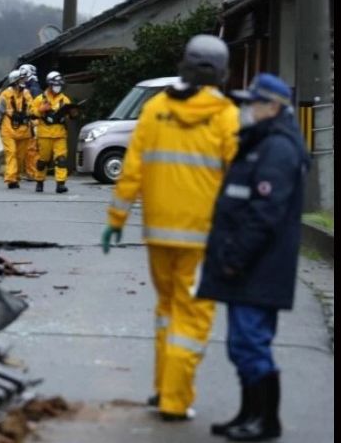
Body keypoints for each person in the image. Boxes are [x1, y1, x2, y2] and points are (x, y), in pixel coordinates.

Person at [101, 34, 240, 421]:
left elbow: (131, 170)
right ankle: (174, 401)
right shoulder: (226, 114)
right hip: (203, 237)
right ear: (222, 73)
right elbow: (238, 177)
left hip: (158, 233)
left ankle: (163, 387)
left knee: (165, 311)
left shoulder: (156, 108)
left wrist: (116, 220)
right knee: (191, 318)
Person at [197, 74, 309, 441]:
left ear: (273, 107)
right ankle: (249, 414)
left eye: (252, 103)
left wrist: (235, 257)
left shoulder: (278, 148)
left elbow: (266, 212)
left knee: (250, 343)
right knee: (241, 344)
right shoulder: (262, 142)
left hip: (258, 266)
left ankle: (265, 421)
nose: (246, 109)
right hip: (249, 266)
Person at [30, 71, 74, 193]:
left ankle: (60, 184)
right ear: (49, 85)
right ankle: (39, 181)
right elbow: (31, 114)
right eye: (55, 85)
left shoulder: (65, 100)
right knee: (42, 161)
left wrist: (73, 114)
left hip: (60, 134)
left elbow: (70, 116)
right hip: (44, 135)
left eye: (59, 85)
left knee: (61, 159)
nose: (57, 88)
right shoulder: (40, 99)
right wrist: (40, 110)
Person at [0, 69, 34, 189]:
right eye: (21, 79)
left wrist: (35, 122)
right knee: (11, 153)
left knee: (20, 157)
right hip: (9, 130)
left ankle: (16, 176)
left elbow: (32, 110)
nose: (24, 81)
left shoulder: (27, 94)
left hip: (24, 131)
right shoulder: (5, 95)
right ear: (15, 81)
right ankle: (11, 179)